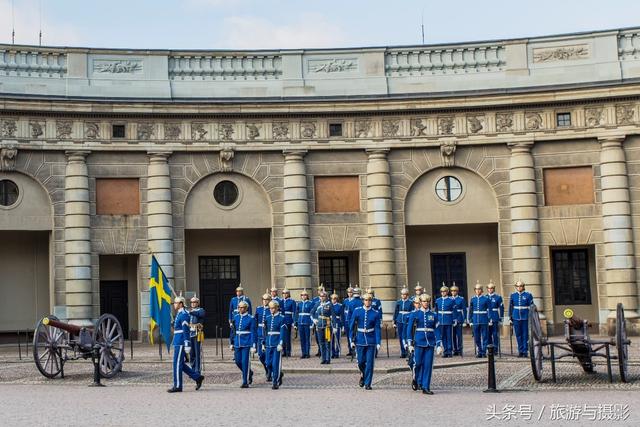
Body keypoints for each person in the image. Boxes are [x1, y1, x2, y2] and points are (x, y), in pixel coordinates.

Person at [405, 294, 442, 395]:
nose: (426, 303)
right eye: (424, 301)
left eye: (427, 302)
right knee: (417, 363)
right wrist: (409, 344)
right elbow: (409, 330)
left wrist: (439, 344)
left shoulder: (433, 315)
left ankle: (426, 386)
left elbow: (437, 330)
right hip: (418, 342)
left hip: (430, 343)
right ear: (420, 302)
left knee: (428, 365)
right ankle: (416, 378)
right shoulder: (415, 314)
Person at [168, 296, 204, 393]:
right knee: (181, 364)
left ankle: (178, 385)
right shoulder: (180, 314)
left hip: (181, 342)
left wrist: (187, 343)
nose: (174, 305)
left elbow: (185, 330)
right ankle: (197, 377)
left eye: (176, 303)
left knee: (177, 364)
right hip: (177, 340)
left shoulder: (183, 314)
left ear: (181, 304)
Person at [349, 293, 382, 390]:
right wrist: (351, 340)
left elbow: (377, 329)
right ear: (363, 301)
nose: (367, 302)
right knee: (360, 362)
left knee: (370, 363)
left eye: (369, 300)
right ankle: (363, 374)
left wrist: (378, 342)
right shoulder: (357, 311)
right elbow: (352, 326)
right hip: (360, 339)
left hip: (371, 340)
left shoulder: (375, 313)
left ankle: (368, 383)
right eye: (366, 300)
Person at [230, 300, 257, 388]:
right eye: (239, 307)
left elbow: (253, 332)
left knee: (245, 362)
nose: (240, 309)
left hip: (246, 342)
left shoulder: (251, 318)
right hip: (237, 341)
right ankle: (249, 372)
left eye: (242, 308)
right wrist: (232, 342)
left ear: (246, 308)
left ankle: (245, 381)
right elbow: (233, 331)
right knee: (238, 361)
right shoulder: (236, 317)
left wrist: (253, 345)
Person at [263, 300, 286, 389]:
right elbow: (265, 331)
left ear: (276, 308)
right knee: (268, 363)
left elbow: (282, 331)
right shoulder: (268, 318)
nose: (271, 310)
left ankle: (275, 382)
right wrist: (263, 343)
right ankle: (279, 374)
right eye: (270, 308)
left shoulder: (281, 318)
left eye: (273, 308)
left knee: (275, 364)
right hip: (269, 343)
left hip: (276, 344)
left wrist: (281, 343)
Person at [509, 280, 534, 357]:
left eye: (520, 286)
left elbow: (532, 307)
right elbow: (511, 307)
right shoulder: (513, 295)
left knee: (525, 334)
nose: (519, 288)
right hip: (516, 317)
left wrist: (531, 317)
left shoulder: (528, 295)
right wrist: (510, 317)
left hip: (525, 316)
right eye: (517, 286)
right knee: (518, 335)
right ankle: (520, 351)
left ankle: (525, 351)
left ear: (523, 287)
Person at [468, 282, 490, 358]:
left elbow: (489, 310)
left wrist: (489, 319)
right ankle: (479, 351)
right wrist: (470, 320)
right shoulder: (473, 299)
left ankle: (484, 351)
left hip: (484, 319)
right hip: (475, 320)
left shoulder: (486, 299)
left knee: (485, 337)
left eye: (479, 289)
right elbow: (470, 310)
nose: (478, 291)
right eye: (476, 289)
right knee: (476, 337)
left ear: (482, 290)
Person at [312, 291, 335, 364]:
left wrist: (334, 327)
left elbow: (333, 316)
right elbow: (312, 312)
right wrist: (314, 319)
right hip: (319, 325)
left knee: (327, 342)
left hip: (327, 326)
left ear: (326, 297)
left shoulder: (329, 305)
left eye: (323, 296)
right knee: (321, 342)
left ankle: (328, 359)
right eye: (321, 296)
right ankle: (323, 358)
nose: (322, 298)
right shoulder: (317, 304)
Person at [254, 292, 272, 378]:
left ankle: (270, 371)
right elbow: (255, 320)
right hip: (259, 334)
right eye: (264, 300)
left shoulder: (272, 309)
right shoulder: (259, 309)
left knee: (268, 355)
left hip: (268, 335)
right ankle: (266, 369)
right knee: (261, 355)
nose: (265, 301)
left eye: (267, 300)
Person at [434, 285, 455, 358]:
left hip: (448, 320)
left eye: (444, 291)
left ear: (447, 292)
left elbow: (454, 310)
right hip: (440, 320)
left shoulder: (451, 300)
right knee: (442, 336)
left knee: (449, 336)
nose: (443, 293)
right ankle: (445, 351)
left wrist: (454, 319)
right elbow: (436, 311)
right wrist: (436, 319)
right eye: (442, 292)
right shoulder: (438, 300)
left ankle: (449, 351)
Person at [188, 295, 206, 376]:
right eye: (191, 302)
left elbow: (199, 314)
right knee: (191, 353)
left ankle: (197, 370)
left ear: (198, 303)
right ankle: (192, 369)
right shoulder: (190, 311)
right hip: (190, 333)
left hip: (197, 333)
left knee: (197, 352)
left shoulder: (201, 310)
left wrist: (190, 312)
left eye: (194, 302)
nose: (193, 304)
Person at [393, 288, 413, 358]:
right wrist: (394, 321)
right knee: (400, 337)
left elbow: (412, 312)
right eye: (402, 294)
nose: (403, 296)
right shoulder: (399, 302)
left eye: (404, 294)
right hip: (399, 320)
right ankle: (403, 352)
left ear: (407, 295)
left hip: (407, 320)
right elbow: (396, 312)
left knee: (406, 336)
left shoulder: (410, 302)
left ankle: (408, 351)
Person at [295, 289, 314, 358]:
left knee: (307, 338)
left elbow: (312, 314)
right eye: (302, 295)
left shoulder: (310, 303)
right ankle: (303, 353)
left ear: (307, 296)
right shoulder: (299, 304)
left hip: (307, 322)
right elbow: (296, 314)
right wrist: (295, 323)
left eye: (305, 295)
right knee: (302, 339)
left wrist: (312, 323)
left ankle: (307, 353)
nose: (303, 296)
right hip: (300, 322)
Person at [486, 281, 504, 354]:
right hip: (486, 317)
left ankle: (496, 349)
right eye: (489, 288)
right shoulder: (485, 297)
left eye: (491, 288)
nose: (490, 290)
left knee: (495, 334)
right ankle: (490, 348)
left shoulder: (498, 297)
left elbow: (501, 308)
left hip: (494, 316)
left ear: (494, 289)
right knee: (488, 334)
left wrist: (501, 317)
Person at [450, 284, 466, 356]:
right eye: (452, 291)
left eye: (455, 291)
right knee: (453, 335)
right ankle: (455, 349)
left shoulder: (461, 299)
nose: (453, 292)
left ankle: (460, 349)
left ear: (457, 291)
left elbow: (464, 310)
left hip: (459, 317)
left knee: (459, 335)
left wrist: (465, 319)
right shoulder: (449, 299)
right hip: (451, 318)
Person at [281, 288, 296, 357]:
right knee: (282, 337)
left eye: (286, 293)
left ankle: (288, 351)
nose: (284, 295)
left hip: (288, 320)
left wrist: (294, 321)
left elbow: (294, 312)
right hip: (282, 321)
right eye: (283, 293)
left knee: (287, 337)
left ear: (289, 294)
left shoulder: (292, 301)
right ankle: (283, 350)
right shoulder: (280, 301)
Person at [330, 293, 345, 358]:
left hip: (337, 322)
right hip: (330, 322)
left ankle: (337, 352)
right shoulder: (328, 305)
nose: (333, 300)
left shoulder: (340, 306)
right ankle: (332, 353)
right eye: (332, 299)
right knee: (331, 339)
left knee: (337, 339)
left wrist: (343, 325)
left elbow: (342, 316)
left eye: (335, 299)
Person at [343, 287, 354, 356]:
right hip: (346, 320)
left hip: (352, 320)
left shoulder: (354, 301)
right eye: (348, 292)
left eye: (351, 292)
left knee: (353, 335)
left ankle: (354, 349)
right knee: (348, 336)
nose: (349, 294)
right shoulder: (345, 300)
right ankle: (350, 350)